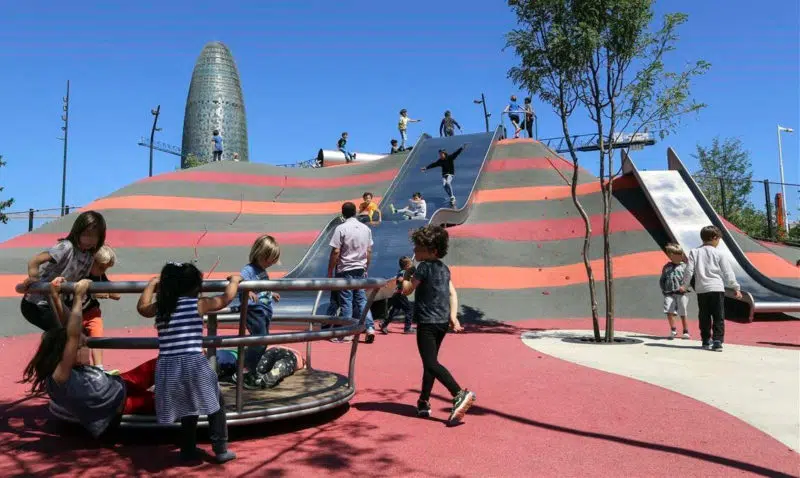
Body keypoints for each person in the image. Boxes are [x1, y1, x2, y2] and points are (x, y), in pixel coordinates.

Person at [23, 278, 158, 439]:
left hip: (117, 384)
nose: (87, 348)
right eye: (82, 346)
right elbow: (73, 335)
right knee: (167, 402)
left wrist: (55, 297)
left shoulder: (65, 366)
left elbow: (71, 329)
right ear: (66, 353)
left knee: (159, 364)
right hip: (121, 403)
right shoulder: (60, 376)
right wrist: (79, 297)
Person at [137, 263, 240, 463]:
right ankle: (220, 448)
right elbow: (225, 298)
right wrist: (234, 281)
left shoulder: (162, 307)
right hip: (194, 363)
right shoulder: (197, 304)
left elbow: (142, 308)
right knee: (216, 403)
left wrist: (151, 284)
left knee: (187, 407)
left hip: (169, 366)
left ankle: (188, 450)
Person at [401, 225, 475, 423]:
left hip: (426, 321)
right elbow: (452, 293)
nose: (415, 251)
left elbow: (407, 290)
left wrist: (406, 275)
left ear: (432, 250)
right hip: (442, 321)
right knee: (430, 363)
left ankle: (459, 393)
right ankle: (424, 401)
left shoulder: (423, 267)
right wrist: (453, 316)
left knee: (431, 363)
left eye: (419, 248)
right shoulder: (444, 268)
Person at [21, 211, 106, 332]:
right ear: (78, 231)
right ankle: (49, 350)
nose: (89, 240)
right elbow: (35, 261)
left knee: (76, 334)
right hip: (38, 303)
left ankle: (50, 350)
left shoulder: (89, 255)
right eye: (86, 234)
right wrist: (35, 281)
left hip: (58, 303)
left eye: (94, 236)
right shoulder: (66, 247)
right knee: (65, 335)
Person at [229, 235, 281, 390]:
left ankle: (249, 370)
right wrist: (246, 288)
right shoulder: (249, 269)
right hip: (254, 310)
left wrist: (272, 294)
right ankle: (243, 370)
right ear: (259, 254)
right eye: (268, 259)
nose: (270, 263)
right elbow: (236, 278)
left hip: (264, 311)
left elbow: (263, 289)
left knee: (262, 342)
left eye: (272, 260)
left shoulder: (262, 271)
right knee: (260, 341)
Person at [679, 226, 742, 352]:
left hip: (702, 290)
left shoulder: (694, 252)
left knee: (704, 315)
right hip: (717, 288)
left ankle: (706, 340)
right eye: (719, 240)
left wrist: (684, 285)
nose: (719, 242)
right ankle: (717, 341)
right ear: (714, 238)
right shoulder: (719, 253)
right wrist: (736, 287)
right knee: (718, 315)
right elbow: (727, 272)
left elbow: (689, 270)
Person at [62, 245, 120, 370]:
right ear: (91, 261)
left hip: (91, 313)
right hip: (74, 314)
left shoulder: (100, 276)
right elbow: (70, 291)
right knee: (76, 342)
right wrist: (92, 292)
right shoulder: (79, 273)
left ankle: (99, 367)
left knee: (97, 335)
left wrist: (105, 292)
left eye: (106, 269)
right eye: (100, 267)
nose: (103, 271)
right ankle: (79, 367)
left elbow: (117, 294)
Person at [328, 202, 376, 343]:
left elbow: (336, 251)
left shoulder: (341, 228)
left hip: (345, 269)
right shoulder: (365, 229)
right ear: (355, 212)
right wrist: (366, 267)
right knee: (361, 300)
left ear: (343, 213)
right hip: (360, 269)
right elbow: (369, 251)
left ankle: (348, 332)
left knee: (346, 301)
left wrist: (330, 270)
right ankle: (370, 328)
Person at [218, 346, 304, 389]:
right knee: (279, 357)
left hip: (244, 357)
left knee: (267, 359)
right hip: (271, 354)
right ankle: (272, 373)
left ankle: (255, 374)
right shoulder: (295, 356)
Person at [659, 243, 690, 340]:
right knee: (669, 310)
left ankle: (685, 331)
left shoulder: (685, 267)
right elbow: (662, 279)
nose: (679, 258)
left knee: (683, 311)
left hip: (681, 293)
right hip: (669, 293)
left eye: (680, 255)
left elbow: (688, 279)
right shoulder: (666, 267)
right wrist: (664, 289)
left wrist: (684, 287)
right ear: (670, 256)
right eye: (675, 256)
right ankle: (673, 330)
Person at [379, 256, 415, 334]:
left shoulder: (403, 272)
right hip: (401, 294)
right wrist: (403, 280)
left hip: (397, 294)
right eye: (410, 265)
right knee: (409, 310)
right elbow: (400, 279)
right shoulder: (403, 273)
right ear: (407, 266)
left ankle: (384, 324)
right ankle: (407, 328)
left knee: (394, 310)